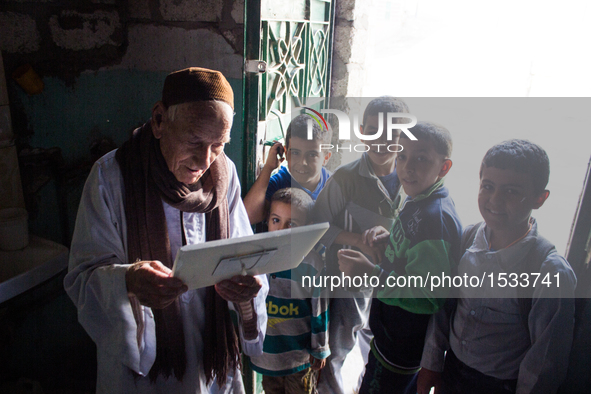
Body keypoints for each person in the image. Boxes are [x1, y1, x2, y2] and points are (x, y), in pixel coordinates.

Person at [64, 67, 269, 394]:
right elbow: (83, 278)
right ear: (159, 120)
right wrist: (128, 282)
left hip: (210, 358)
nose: (205, 159)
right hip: (144, 373)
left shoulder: (223, 173)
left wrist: (248, 286)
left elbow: (243, 255)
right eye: (194, 140)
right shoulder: (112, 177)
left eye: (218, 144)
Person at [417, 139, 577, 394]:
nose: (495, 200)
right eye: (487, 186)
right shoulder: (467, 239)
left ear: (540, 198)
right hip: (452, 371)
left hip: (499, 385)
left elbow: (545, 358)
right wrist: (431, 364)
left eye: (512, 191)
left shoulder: (548, 270)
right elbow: (445, 307)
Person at [338, 121, 462, 394]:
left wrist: (372, 273)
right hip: (392, 334)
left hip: (402, 346)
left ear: (444, 167)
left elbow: (428, 293)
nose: (407, 167)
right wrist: (390, 236)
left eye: (421, 159)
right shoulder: (421, 198)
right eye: (402, 156)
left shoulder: (435, 219)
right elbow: (413, 250)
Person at [313, 97, 412, 394]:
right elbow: (316, 228)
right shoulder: (345, 179)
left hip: (388, 283)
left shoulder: (412, 180)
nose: (381, 142)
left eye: (392, 135)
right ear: (360, 132)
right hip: (347, 283)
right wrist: (357, 240)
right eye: (373, 131)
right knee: (338, 348)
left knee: (379, 349)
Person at [249, 187, 330, 394]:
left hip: (299, 357)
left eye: (292, 223)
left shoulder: (312, 264)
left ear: (308, 228)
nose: (282, 229)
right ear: (267, 221)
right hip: (268, 355)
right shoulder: (257, 259)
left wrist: (320, 348)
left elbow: (319, 309)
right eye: (276, 220)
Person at [243, 114, 332, 225]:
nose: (302, 162)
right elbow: (247, 217)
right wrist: (268, 168)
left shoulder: (334, 186)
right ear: (285, 152)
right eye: (295, 153)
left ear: (326, 158)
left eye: (312, 155)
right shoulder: (278, 182)